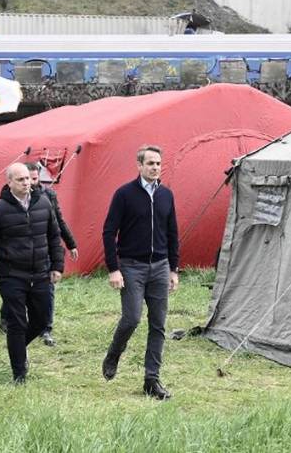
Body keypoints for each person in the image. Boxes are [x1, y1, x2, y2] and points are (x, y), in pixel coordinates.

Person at [101, 144, 180, 400]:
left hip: (159, 267)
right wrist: (114, 268)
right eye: (150, 163)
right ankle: (114, 353)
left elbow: (172, 233)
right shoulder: (124, 194)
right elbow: (108, 231)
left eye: (158, 163)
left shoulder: (167, 195)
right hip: (131, 266)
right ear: (139, 166)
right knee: (132, 318)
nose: (155, 167)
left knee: (158, 325)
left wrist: (173, 268)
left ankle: (151, 380)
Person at [0, 163, 64, 384]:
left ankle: (17, 348)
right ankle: (19, 373)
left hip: (40, 272)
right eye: (21, 180)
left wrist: (57, 266)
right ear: (9, 183)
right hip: (11, 275)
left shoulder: (43, 203)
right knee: (16, 322)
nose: (27, 183)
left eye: (28, 179)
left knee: (42, 318)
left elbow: (54, 236)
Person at [21, 162, 78, 346]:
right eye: (26, 179)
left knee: (48, 290)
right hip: (21, 252)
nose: (29, 183)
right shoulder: (14, 197)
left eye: (33, 179)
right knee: (19, 289)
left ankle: (46, 328)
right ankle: (8, 319)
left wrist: (71, 244)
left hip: (44, 249)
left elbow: (58, 222)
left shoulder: (48, 195)